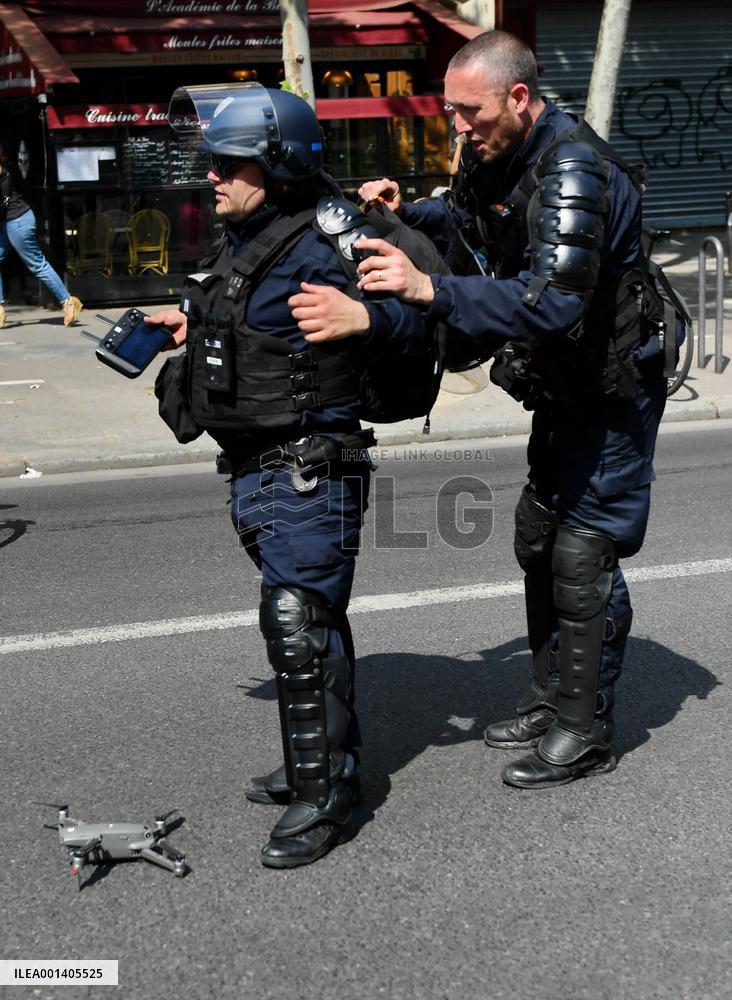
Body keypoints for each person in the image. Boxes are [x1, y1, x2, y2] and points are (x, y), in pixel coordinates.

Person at [299, 30, 668, 789]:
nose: (459, 126)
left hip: (613, 382)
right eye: (451, 111)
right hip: (563, 380)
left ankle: (584, 727)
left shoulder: (575, 169)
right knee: (539, 538)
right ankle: (551, 697)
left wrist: (428, 289)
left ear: (519, 97)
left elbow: (555, 297)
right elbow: (480, 218)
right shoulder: (500, 150)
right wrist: (420, 214)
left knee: (582, 549)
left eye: (470, 111)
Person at [147, 83, 427, 866]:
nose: (213, 176)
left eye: (230, 163)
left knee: (297, 623)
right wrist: (190, 321)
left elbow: (420, 320)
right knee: (310, 623)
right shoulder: (248, 234)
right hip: (253, 468)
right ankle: (323, 758)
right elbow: (245, 311)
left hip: (311, 469)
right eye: (212, 161)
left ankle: (325, 797)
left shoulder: (329, 241)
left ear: (278, 165)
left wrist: (366, 317)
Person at [0, 147, 82, 329]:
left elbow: (4, 203)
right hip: (5, 222)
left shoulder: (4, 176)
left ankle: (68, 301)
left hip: (18, 221)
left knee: (36, 264)